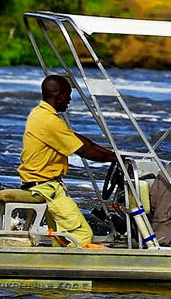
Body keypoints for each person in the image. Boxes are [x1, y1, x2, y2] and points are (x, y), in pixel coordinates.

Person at [18, 74, 116, 247]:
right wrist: (115, 160)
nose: (70, 99)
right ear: (58, 94)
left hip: (38, 184)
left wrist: (114, 155)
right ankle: (70, 268)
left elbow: (81, 140)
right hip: (48, 188)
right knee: (81, 233)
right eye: (68, 94)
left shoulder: (40, 113)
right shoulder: (49, 121)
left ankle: (56, 260)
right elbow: (85, 151)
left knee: (61, 234)